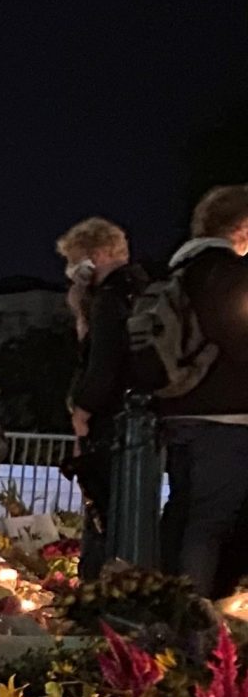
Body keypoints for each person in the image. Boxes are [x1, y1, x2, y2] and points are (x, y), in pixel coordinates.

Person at [156, 186, 248, 595]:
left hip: (177, 411)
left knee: (181, 513)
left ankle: (164, 609)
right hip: (224, 416)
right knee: (211, 521)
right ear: (241, 228)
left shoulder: (179, 272)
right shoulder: (229, 274)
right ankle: (194, 625)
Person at [58, 217, 151, 580]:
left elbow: (103, 362)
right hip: (135, 419)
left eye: (76, 258)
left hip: (109, 423)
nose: (72, 270)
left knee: (101, 513)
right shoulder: (141, 292)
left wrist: (83, 408)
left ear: (97, 254)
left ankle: (97, 589)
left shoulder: (109, 299)